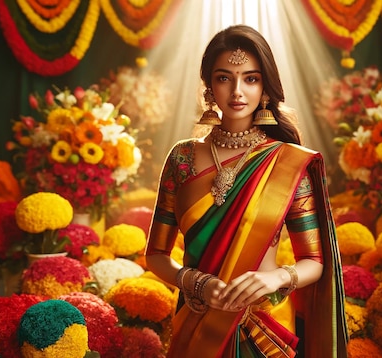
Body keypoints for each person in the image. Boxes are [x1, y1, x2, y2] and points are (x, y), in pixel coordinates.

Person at [146, 24, 348, 357]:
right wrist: (197, 282)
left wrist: (276, 278)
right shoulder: (182, 157)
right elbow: (155, 255)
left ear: (265, 89)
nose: (237, 91)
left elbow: (314, 262)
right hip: (196, 320)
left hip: (262, 325)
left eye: (251, 79)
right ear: (209, 87)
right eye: (225, 78)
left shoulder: (285, 161)